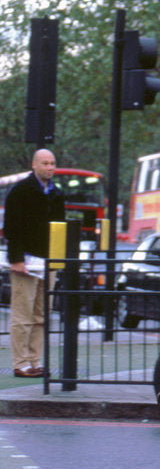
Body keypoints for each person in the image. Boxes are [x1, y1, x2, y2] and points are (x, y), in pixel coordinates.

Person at [3, 149, 65, 377]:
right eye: (45, 163)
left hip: (48, 260)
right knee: (22, 314)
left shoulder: (57, 193)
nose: (50, 167)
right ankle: (21, 363)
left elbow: (60, 229)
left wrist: (58, 260)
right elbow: (11, 228)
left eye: (52, 163)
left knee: (41, 315)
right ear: (34, 165)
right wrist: (16, 259)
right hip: (26, 261)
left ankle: (34, 360)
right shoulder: (20, 191)